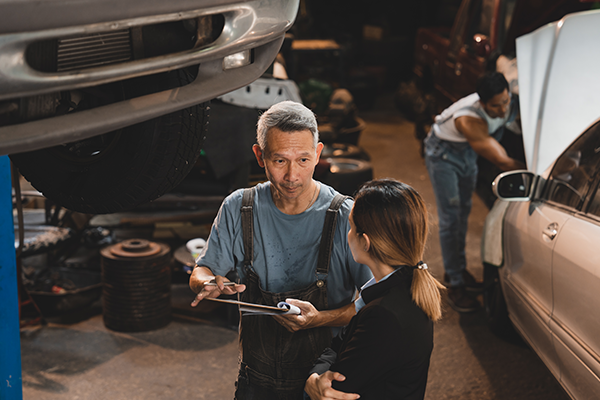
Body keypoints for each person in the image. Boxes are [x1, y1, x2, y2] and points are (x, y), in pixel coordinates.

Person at [189, 100, 373, 400]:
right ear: (259, 156)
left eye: (303, 160)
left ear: (318, 153)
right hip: (255, 381)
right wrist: (208, 283)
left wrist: (320, 319)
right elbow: (203, 269)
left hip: (323, 382)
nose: (292, 176)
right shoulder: (239, 208)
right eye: (279, 161)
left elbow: (373, 305)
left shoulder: (344, 216)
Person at [304, 179, 444, 400]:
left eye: (351, 227)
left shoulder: (383, 315)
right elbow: (338, 346)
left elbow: (334, 389)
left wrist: (312, 380)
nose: (347, 234)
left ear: (365, 242)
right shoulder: (406, 287)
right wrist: (320, 371)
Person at [424, 72, 525, 313]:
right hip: (444, 155)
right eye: (495, 106)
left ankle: (457, 268)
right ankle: (455, 283)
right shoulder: (469, 120)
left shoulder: (509, 102)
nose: (502, 110)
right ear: (481, 103)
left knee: (465, 211)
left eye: (505, 102)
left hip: (467, 152)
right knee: (451, 217)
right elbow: (501, 160)